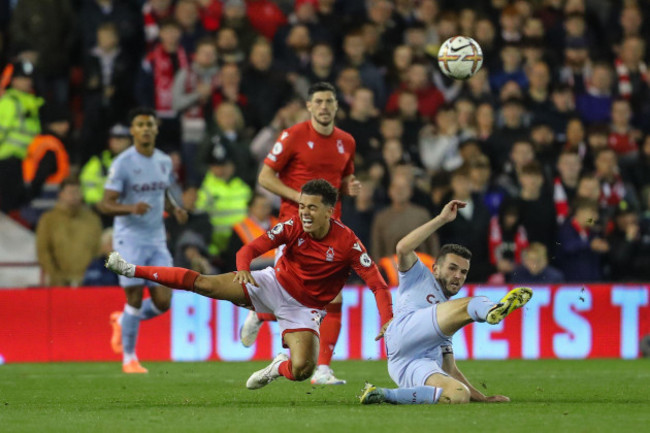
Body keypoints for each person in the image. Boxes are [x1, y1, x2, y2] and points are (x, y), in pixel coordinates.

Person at [106, 179, 393, 389]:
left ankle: (275, 368)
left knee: (303, 369)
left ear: (330, 211)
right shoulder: (292, 226)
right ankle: (132, 269)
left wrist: (386, 319)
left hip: (305, 308)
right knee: (204, 284)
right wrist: (243, 269)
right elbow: (248, 249)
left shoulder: (348, 243)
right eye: (302, 206)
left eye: (313, 208)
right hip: (272, 284)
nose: (305, 212)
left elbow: (378, 284)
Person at [359, 200, 533, 405]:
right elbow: (403, 248)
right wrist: (441, 220)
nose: (458, 275)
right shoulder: (419, 276)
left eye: (463, 272)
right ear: (435, 269)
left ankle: (383, 394)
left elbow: (450, 369)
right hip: (403, 332)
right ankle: (493, 310)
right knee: (472, 303)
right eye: (452, 268)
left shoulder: (448, 318)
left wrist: (483, 398)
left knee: (458, 395)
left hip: (410, 365)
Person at [247, 81, 362, 385]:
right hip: (295, 227)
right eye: (319, 101)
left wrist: (351, 186)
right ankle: (261, 314)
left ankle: (322, 369)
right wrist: (299, 198)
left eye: (330, 101)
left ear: (337, 106)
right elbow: (265, 177)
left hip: (331, 230)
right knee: (294, 292)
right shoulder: (293, 135)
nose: (324, 107)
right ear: (309, 106)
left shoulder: (346, 142)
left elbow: (346, 177)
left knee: (333, 298)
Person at [99, 107, 188, 374]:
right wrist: (130, 208)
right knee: (135, 297)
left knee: (164, 301)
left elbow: (164, 192)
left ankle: (123, 320)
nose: (146, 129)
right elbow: (105, 204)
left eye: (150, 124)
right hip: (129, 239)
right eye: (140, 124)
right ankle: (129, 358)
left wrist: (175, 209)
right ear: (133, 131)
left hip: (156, 239)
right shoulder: (123, 163)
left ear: (156, 128)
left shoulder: (163, 160)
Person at [36, 177, 103, 286]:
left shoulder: (93, 220)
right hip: (58, 285)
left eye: (77, 192)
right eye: (70, 192)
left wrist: (90, 275)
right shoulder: (48, 220)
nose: (74, 196)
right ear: (61, 194)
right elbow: (43, 251)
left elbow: (98, 250)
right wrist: (56, 276)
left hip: (88, 284)